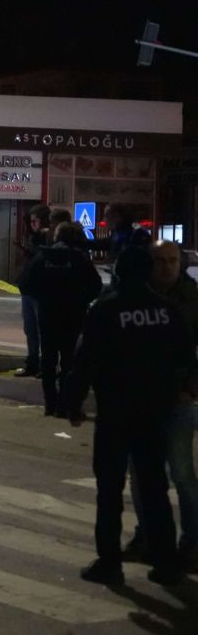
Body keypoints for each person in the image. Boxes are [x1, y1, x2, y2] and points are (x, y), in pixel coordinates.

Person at [62, 246, 195, 587]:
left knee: (110, 491)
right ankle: (166, 563)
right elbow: (185, 355)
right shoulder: (166, 310)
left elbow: (86, 359)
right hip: (156, 413)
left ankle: (110, 563)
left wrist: (73, 403)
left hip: (115, 413)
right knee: (154, 489)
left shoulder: (107, 308)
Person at [121, 240, 198, 568]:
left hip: (177, 399)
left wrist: (190, 388)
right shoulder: (134, 297)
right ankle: (148, 535)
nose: (167, 267)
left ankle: (193, 543)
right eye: (160, 261)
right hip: (139, 400)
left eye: (172, 261)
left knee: (181, 471)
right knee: (141, 474)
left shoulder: (192, 299)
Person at [18, 222, 104, 416]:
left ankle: (50, 404)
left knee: (48, 359)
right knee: (69, 360)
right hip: (74, 315)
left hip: (48, 314)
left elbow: (25, 283)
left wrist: (42, 298)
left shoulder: (43, 257)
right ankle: (66, 404)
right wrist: (80, 300)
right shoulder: (79, 259)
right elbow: (95, 286)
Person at [15, 204, 52, 376]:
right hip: (29, 290)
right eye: (31, 222)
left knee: (42, 330)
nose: (33, 225)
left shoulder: (48, 237)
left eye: (35, 221)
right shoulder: (34, 237)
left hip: (41, 291)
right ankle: (32, 363)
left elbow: (44, 258)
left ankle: (46, 366)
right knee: (30, 330)